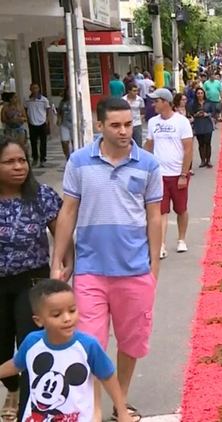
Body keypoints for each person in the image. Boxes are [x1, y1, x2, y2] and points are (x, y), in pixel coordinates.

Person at [51, 97, 162, 422]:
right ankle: (93, 409)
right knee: (89, 345)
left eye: (128, 124)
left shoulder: (147, 164)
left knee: (131, 342)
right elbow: (67, 211)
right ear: (99, 125)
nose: (124, 131)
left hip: (134, 271)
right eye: (115, 125)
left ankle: (120, 400)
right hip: (90, 271)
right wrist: (58, 260)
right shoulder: (80, 161)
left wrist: (154, 264)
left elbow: (154, 217)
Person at [0, 135, 71, 421]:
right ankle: (13, 388)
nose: (19, 167)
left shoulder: (41, 196)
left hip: (33, 283)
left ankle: (29, 408)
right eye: (9, 162)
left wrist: (65, 268)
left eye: (22, 160)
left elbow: (62, 235)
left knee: (31, 344)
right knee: (1, 346)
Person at [0, 280, 132, 422]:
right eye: (57, 314)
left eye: (72, 310)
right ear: (38, 321)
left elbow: (108, 377)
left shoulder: (88, 345)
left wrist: (122, 412)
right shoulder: (32, 342)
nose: (67, 318)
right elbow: (16, 364)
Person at [144, 88, 193, 257]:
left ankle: (181, 239)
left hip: (177, 173)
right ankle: (162, 245)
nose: (153, 104)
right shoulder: (152, 122)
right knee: (161, 211)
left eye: (156, 101)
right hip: (159, 175)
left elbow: (188, 149)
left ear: (165, 102)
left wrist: (183, 174)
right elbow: (149, 146)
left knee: (181, 209)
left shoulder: (181, 122)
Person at [24, 83, 52, 168]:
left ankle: (43, 159)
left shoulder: (44, 100)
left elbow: (47, 110)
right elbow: (25, 109)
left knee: (43, 142)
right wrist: (28, 119)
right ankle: (35, 158)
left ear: (39, 89)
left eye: (36, 88)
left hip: (42, 122)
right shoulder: (27, 100)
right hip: (32, 123)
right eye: (32, 88)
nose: (34, 90)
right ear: (30, 89)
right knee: (33, 142)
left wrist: (47, 120)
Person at [190, 87, 214, 168]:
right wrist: (196, 114)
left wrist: (207, 114)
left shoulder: (208, 103)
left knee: (208, 143)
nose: (200, 95)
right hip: (198, 124)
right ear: (196, 95)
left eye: (201, 93)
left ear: (204, 94)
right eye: (198, 93)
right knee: (201, 143)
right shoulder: (193, 104)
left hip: (207, 124)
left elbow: (213, 112)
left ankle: (208, 160)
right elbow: (191, 114)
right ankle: (202, 160)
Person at [123, 83, 145, 148]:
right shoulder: (123, 100)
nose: (136, 92)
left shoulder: (140, 100)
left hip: (137, 123)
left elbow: (142, 111)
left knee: (138, 143)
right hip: (126, 124)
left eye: (137, 91)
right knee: (127, 143)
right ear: (129, 91)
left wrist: (140, 118)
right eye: (134, 91)